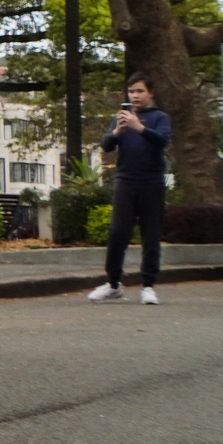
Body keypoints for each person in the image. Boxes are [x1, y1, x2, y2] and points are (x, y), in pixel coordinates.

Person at [92, 73, 173, 305]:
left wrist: (139, 127)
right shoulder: (121, 118)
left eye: (140, 91)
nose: (135, 96)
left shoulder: (159, 117)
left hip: (151, 182)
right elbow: (106, 145)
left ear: (151, 93)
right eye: (132, 91)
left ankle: (148, 285)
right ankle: (113, 284)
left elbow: (162, 141)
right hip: (125, 181)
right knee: (118, 232)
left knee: (151, 234)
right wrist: (117, 130)